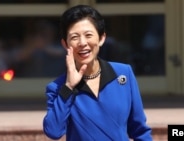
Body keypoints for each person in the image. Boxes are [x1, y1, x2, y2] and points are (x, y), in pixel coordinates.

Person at [43, 5, 153, 141]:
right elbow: (53, 131)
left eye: (88, 35)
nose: (82, 43)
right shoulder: (58, 87)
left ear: (101, 38)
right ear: (65, 44)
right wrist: (69, 87)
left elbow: (140, 131)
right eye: (75, 37)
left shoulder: (124, 74)